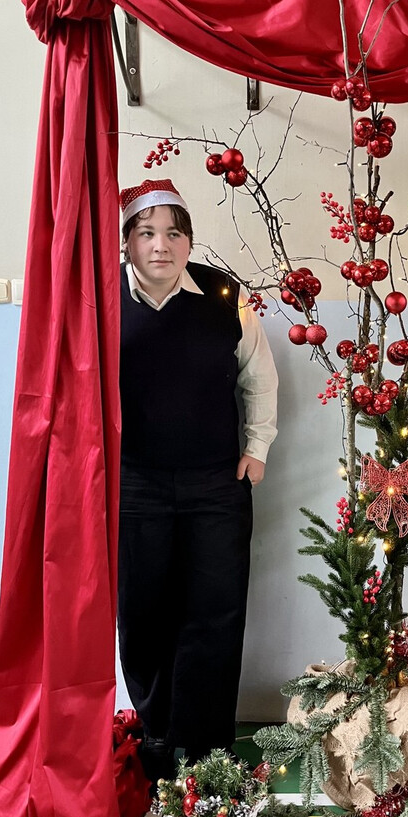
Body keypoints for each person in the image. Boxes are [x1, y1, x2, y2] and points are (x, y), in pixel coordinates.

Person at [117, 178, 278, 784]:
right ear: (128, 242)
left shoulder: (225, 296)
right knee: (143, 612)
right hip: (134, 486)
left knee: (215, 612)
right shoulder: (101, 299)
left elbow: (258, 376)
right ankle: (158, 734)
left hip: (215, 485)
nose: (161, 245)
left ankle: (208, 744)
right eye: (146, 233)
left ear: (189, 241)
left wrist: (256, 449)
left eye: (173, 233)